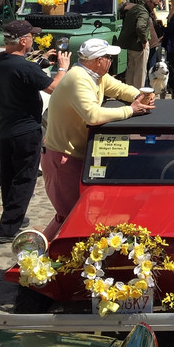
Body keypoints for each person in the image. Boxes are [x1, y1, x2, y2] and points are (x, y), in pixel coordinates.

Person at [41, 38, 155, 237]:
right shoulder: (79, 78)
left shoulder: (96, 75)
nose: (111, 61)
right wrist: (130, 110)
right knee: (68, 215)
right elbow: (92, 116)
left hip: (77, 154)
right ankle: (43, 254)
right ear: (97, 60)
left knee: (81, 213)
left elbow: (119, 88)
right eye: (108, 57)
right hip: (63, 157)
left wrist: (140, 94)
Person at [0, 20, 70, 243]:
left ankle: (14, 215)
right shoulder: (25, 67)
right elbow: (54, 88)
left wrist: (39, 61)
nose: (33, 39)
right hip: (26, 129)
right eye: (31, 36)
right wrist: (62, 68)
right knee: (24, 178)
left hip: (5, 127)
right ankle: (7, 229)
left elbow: (20, 74)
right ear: (23, 41)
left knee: (8, 176)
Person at [117, 0, 157, 89]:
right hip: (139, 46)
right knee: (140, 71)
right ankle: (138, 94)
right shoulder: (143, 12)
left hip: (131, 45)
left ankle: (129, 93)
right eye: (154, 4)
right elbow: (140, 27)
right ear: (148, 1)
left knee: (131, 70)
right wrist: (144, 41)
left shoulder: (135, 8)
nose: (155, 7)